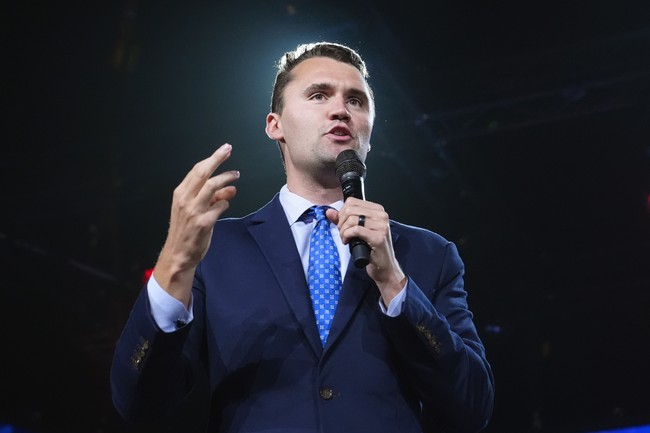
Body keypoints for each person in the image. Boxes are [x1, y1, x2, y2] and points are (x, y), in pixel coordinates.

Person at [110, 41, 495, 433]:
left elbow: (472, 407)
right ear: (275, 125)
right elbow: (138, 401)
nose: (341, 109)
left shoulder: (428, 254)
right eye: (318, 95)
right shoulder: (217, 249)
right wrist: (174, 264)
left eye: (356, 101)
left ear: (369, 132)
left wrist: (395, 285)